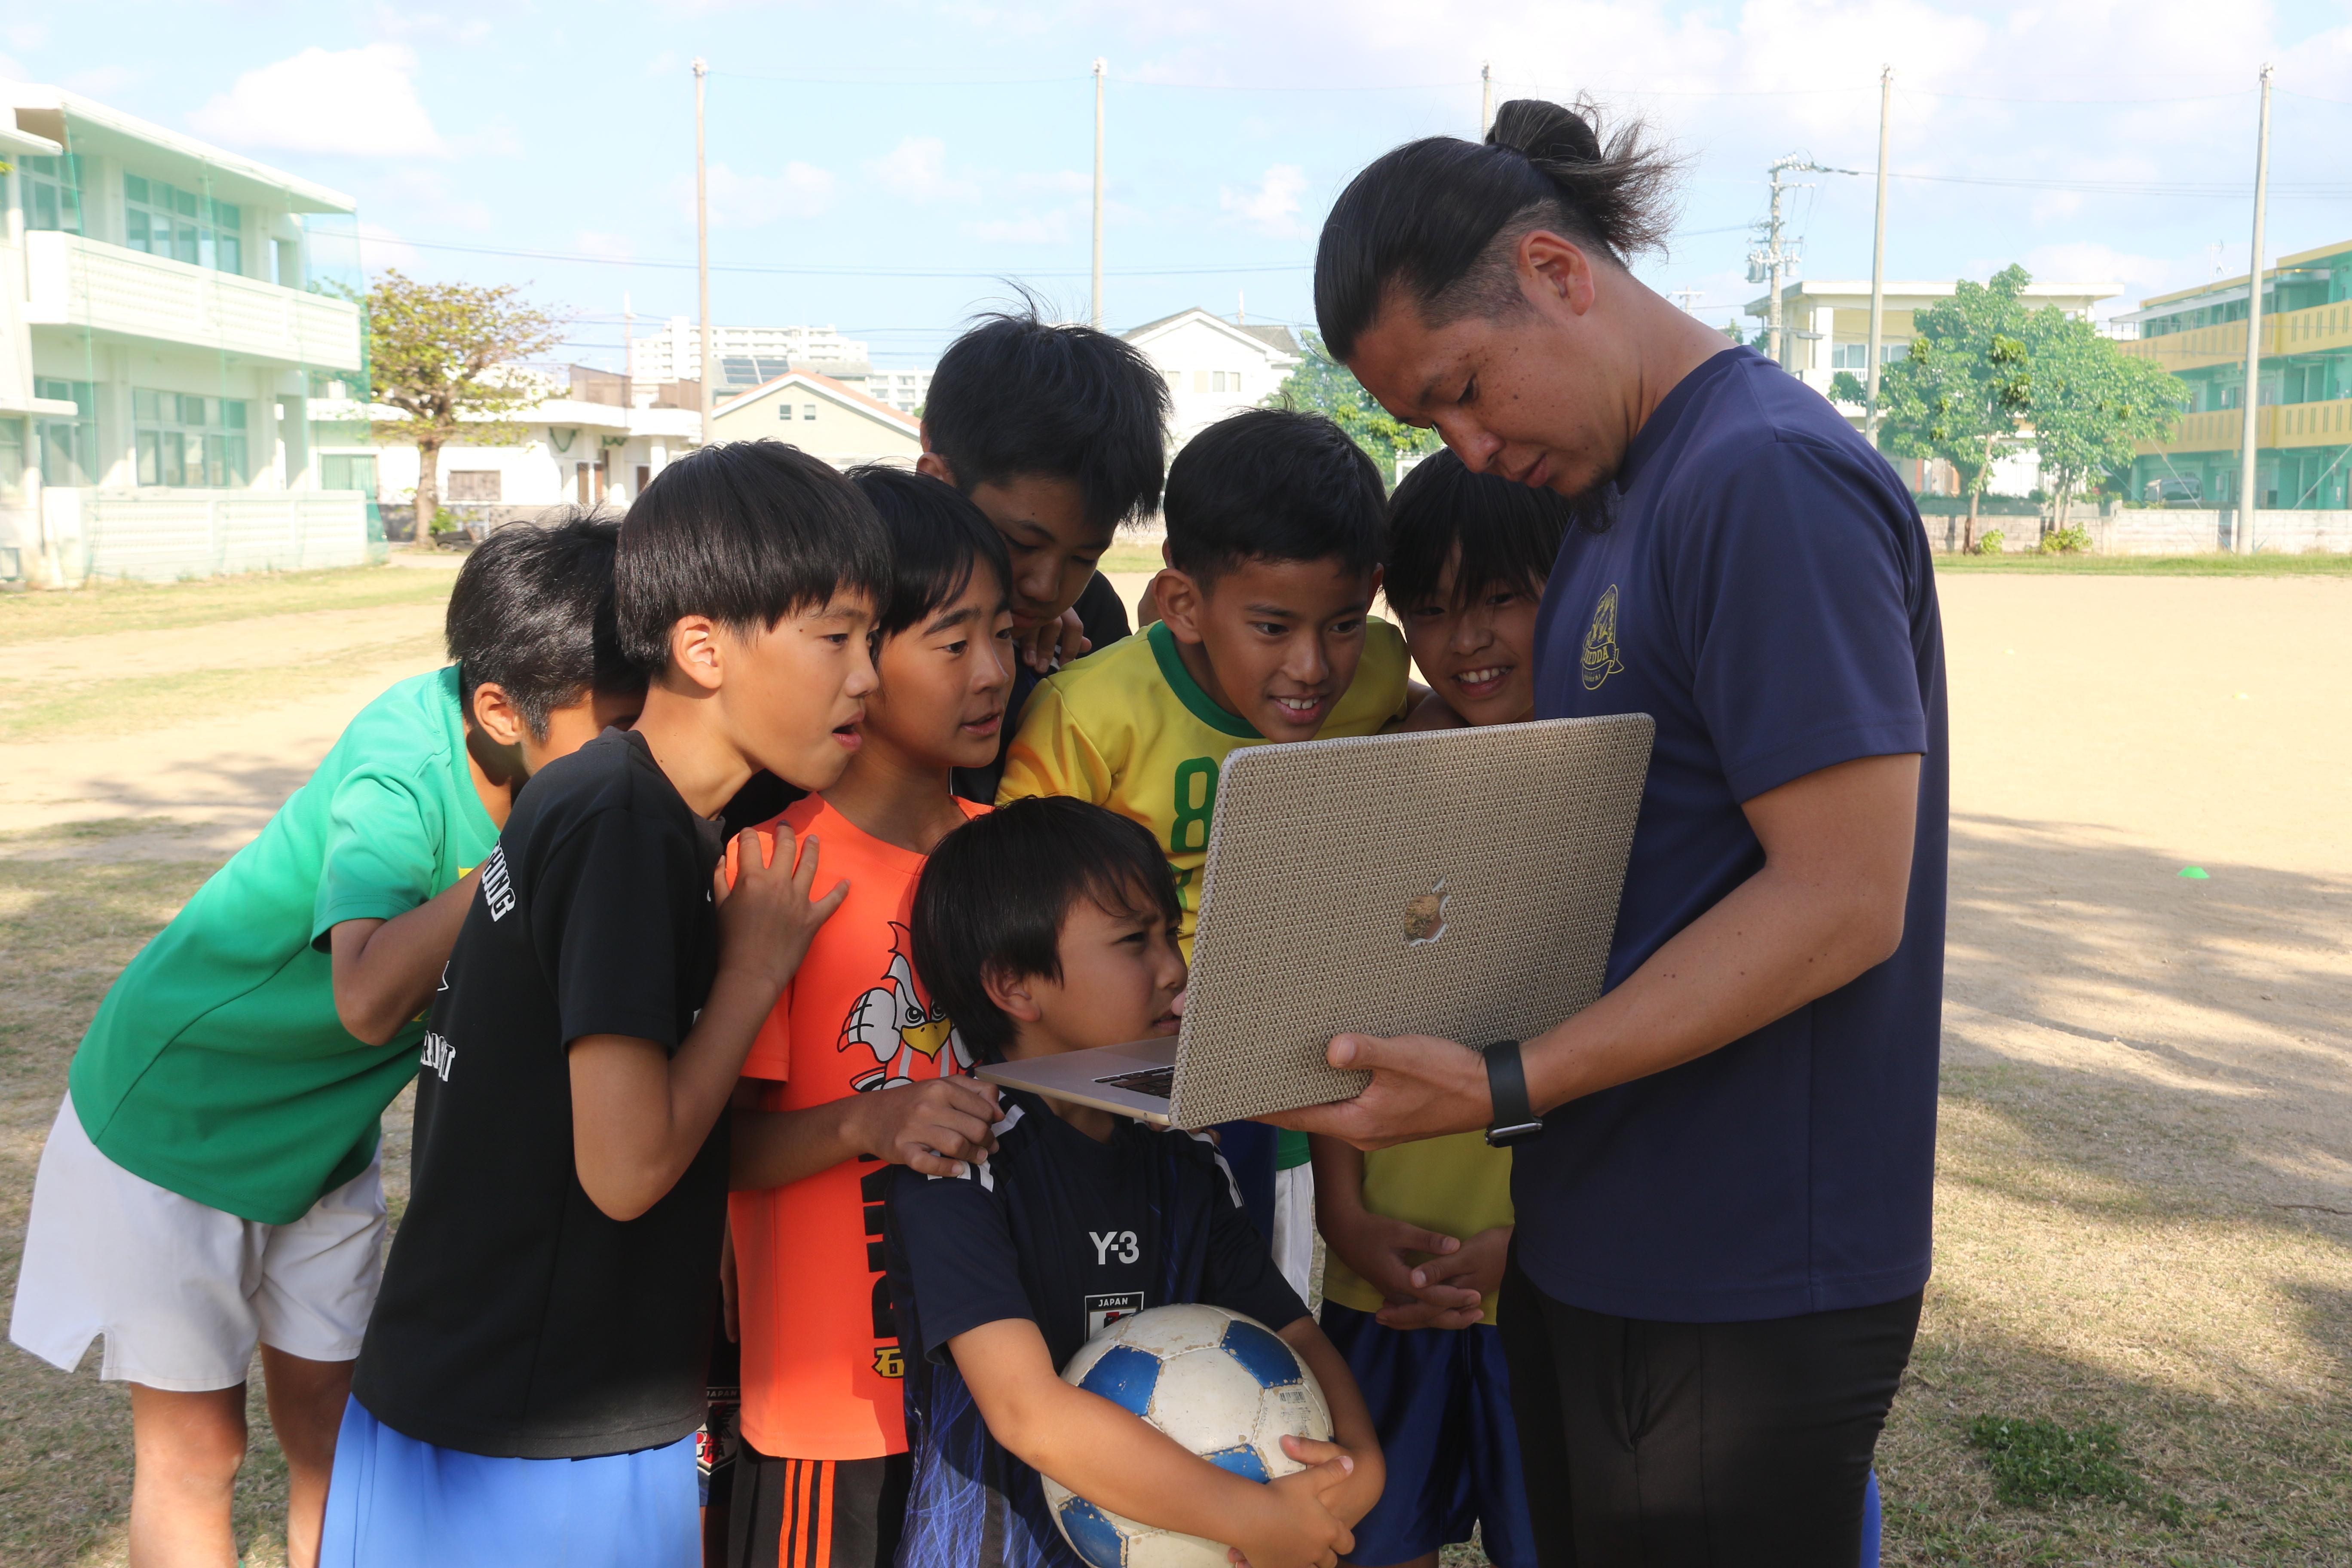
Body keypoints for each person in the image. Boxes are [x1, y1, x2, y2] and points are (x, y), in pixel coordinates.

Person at [1280, 97, 1948, 1567]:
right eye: (1428, 426)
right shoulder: (1606, 508)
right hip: (1596, 1228)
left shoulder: (1762, 477)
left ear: (1556, 273)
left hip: (1742, 1263)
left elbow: (1845, 898)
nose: (1469, 445)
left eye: (1466, 388)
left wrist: (1507, 1079)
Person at [8, 514, 643, 1568]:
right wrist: (529, 850)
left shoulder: (550, 760)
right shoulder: (403, 769)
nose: (636, 752)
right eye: (616, 726)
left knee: (335, 1428)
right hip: (177, 1123)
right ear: (499, 708)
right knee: (197, 1452)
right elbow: (367, 998)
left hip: (323, 1139)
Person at [322, 442, 888, 1568]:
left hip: (475, 1395)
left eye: (874, 640)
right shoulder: (627, 829)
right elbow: (625, 1172)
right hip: (535, 1439)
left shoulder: (597, 793)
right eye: (837, 638)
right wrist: (750, 972)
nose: (866, 676)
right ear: (702, 649)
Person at [885, 798, 1386, 1568]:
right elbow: (1028, 1414)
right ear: (1015, 986)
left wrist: (1358, 1464)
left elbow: (1294, 1334)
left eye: (1170, 934)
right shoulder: (960, 1167)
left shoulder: (1185, 1156)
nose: (1174, 969)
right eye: (1133, 941)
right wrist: (1252, 1515)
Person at [995, 407, 1414, 1295]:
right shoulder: (1090, 717)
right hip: (1141, 1094)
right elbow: (1019, 914)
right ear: (1183, 604)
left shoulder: (1382, 673)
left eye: (1342, 623)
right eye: (1272, 627)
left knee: (1263, 1335)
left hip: (1310, 1090)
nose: (1312, 667)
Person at [721, 466, 1014, 1568]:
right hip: (833, 1410)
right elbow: (711, 1147)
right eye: (953, 641)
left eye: (1004, 635)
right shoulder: (773, 873)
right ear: (855, 659)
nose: (993, 672)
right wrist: (867, 1120)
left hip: (1002, 1390)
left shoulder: (1018, 858)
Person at [1311, 449, 1571, 1568]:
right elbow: (1332, 1019)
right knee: (1372, 1541)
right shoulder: (1374, 780)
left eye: (1502, 598)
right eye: (1430, 607)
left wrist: (1539, 1242)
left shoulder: (1621, 782)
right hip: (1385, 1264)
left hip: (1556, 1277)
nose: (1466, 640)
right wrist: (1344, 1216)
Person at [917, 307, 1173, 801]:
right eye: (1021, 544)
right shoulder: (847, 595)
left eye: (1084, 558)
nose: (1045, 588)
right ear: (936, 482)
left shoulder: (1091, 618)